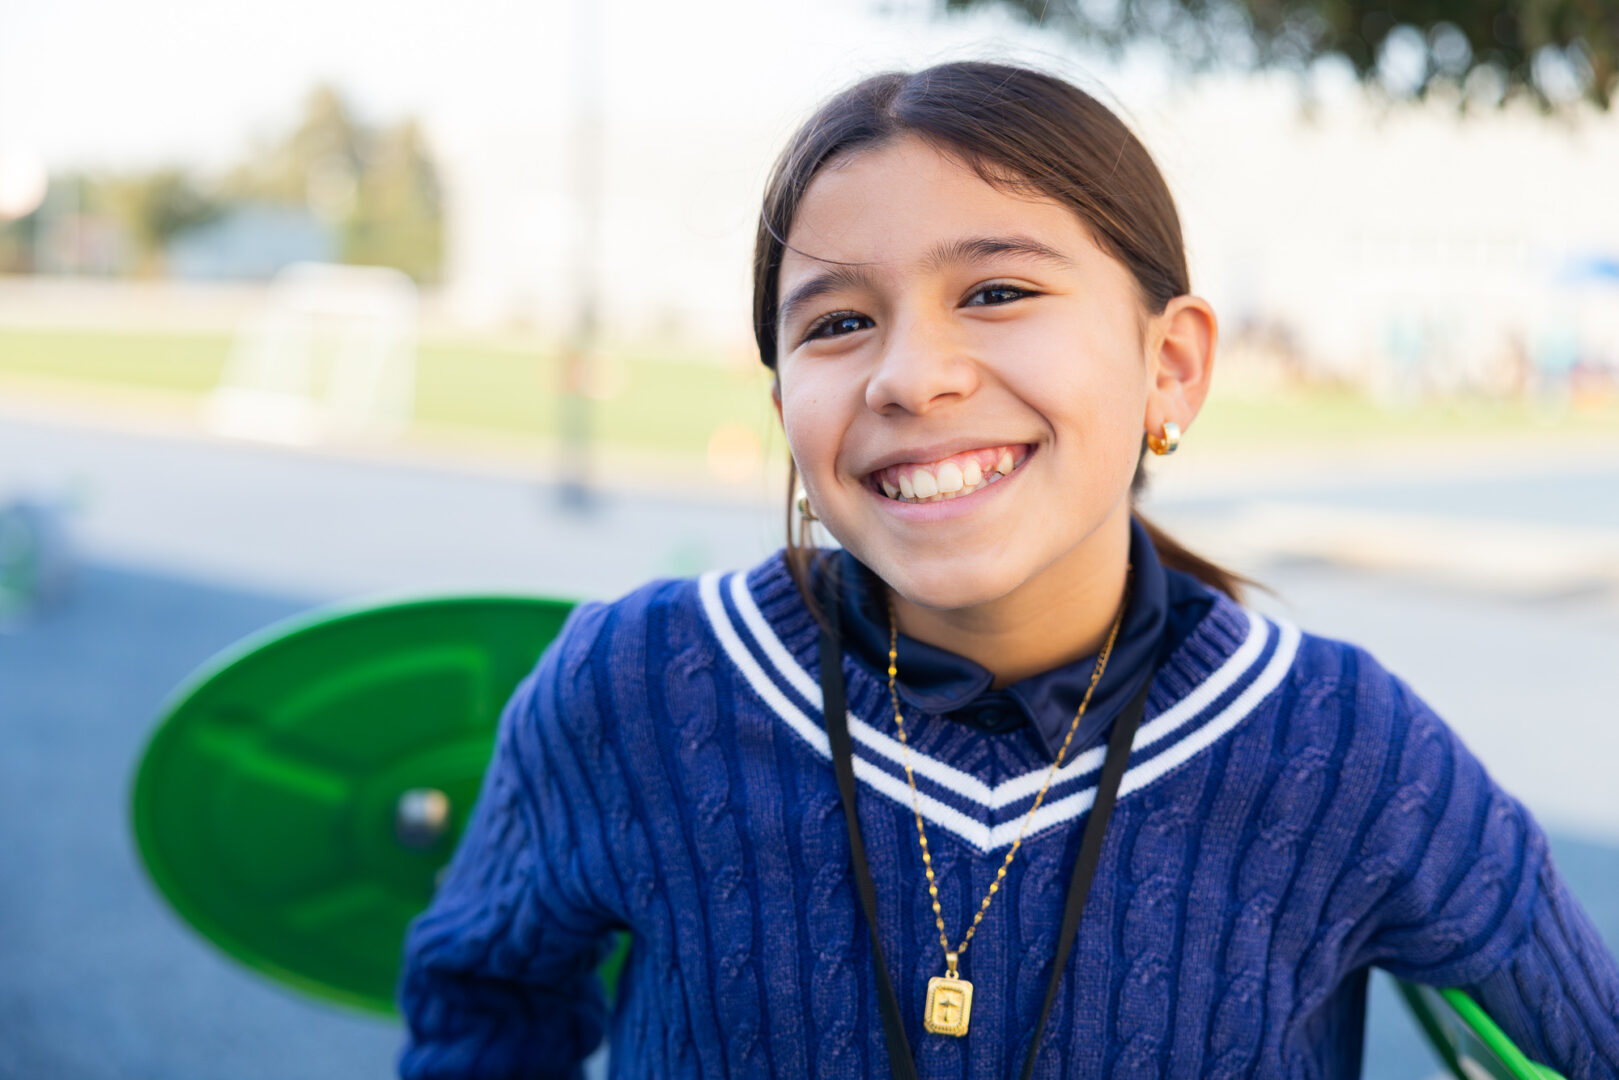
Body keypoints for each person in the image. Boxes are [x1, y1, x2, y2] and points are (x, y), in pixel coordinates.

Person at [396, 61, 1619, 1078]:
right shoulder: (635, 684)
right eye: (834, 320)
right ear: (782, 401)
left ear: (1171, 366)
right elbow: (479, 1007)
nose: (908, 375)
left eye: (995, 290)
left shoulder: (1346, 747)